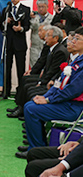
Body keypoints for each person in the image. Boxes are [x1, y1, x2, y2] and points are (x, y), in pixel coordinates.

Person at [22, 26, 83, 156]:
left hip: (74, 108)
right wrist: (45, 96)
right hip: (66, 103)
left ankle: (36, 149)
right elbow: (59, 83)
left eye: (77, 39)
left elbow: (72, 91)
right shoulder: (77, 60)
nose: (72, 41)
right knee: (30, 105)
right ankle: (37, 146)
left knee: (31, 110)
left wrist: (49, 100)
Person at [7, 26, 69, 119]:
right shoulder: (52, 48)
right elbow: (44, 63)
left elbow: (53, 71)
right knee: (25, 79)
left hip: (50, 82)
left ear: (56, 38)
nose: (45, 37)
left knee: (29, 87)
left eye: (48, 35)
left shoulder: (60, 51)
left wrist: (41, 82)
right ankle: (20, 107)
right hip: (46, 77)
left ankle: (26, 113)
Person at [1, 0, 31, 98]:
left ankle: (20, 94)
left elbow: (27, 26)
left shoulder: (26, 9)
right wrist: (5, 22)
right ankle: (6, 91)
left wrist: (21, 29)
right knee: (6, 69)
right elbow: (0, 27)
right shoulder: (6, 10)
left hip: (20, 44)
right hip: (8, 44)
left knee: (20, 69)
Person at [29, 0, 53, 67]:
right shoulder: (33, 17)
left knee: (46, 67)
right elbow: (29, 27)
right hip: (35, 47)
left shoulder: (52, 18)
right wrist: (31, 18)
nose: (41, 9)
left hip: (47, 46)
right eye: (39, 7)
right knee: (34, 67)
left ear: (47, 7)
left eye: (43, 7)